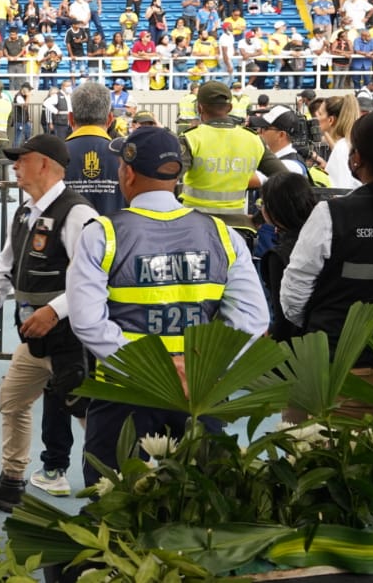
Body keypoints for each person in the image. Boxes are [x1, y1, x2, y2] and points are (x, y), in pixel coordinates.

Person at [67, 126, 268, 484]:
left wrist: (155, 368)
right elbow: (253, 319)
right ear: (177, 175)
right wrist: (195, 367)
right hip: (198, 392)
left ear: (127, 172)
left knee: (114, 505)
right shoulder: (223, 235)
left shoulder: (102, 234)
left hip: (122, 393)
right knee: (197, 511)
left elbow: (87, 321)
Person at [0, 134, 98, 510]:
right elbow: (3, 269)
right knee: (11, 402)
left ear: (44, 164)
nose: (15, 165)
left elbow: (94, 279)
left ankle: (116, 488)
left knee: (87, 416)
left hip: (71, 339)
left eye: (22, 159)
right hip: (34, 338)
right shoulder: (24, 211)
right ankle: (12, 480)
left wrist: (54, 311)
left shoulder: (77, 213)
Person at [280, 113, 373, 397]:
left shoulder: (332, 214)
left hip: (333, 366)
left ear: (356, 158)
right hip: (335, 366)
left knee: (305, 438)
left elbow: (294, 293)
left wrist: (321, 329)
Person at [179, 81, 284, 236]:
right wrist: (260, 216)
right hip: (238, 230)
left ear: (199, 107)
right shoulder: (253, 139)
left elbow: (165, 181)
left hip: (194, 227)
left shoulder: (190, 138)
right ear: (230, 108)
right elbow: (287, 180)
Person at [258, 171, 315, 341]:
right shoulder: (325, 238)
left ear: (272, 210)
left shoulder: (279, 256)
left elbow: (284, 320)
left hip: (297, 350)